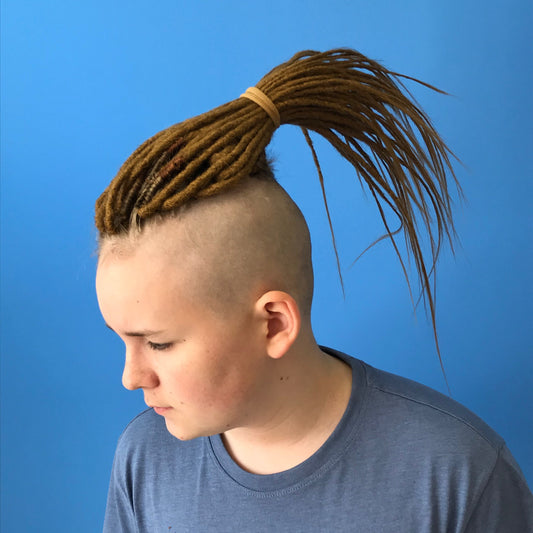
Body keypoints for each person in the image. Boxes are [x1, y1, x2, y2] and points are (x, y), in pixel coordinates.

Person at [95, 49, 532, 532]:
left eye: (158, 343)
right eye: (122, 339)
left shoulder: (456, 473)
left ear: (274, 324)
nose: (131, 377)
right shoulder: (144, 458)